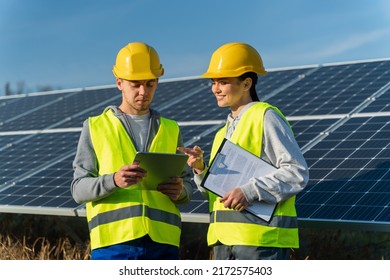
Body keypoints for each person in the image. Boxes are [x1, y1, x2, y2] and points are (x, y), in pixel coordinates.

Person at [178, 42, 309, 260]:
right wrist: (201, 170)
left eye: (223, 82)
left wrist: (248, 191)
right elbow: (218, 195)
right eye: (213, 82)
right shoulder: (223, 132)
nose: (215, 89)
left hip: (261, 244)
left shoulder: (266, 117)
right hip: (223, 244)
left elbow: (296, 173)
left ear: (247, 83)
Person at [71, 42, 193, 260]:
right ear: (119, 83)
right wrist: (114, 180)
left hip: (164, 245)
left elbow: (187, 188)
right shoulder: (95, 126)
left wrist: (181, 191)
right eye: (135, 84)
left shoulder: (170, 128)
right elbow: (78, 189)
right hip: (113, 246)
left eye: (150, 84)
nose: (143, 92)